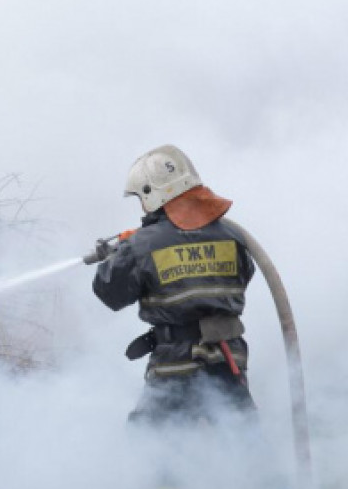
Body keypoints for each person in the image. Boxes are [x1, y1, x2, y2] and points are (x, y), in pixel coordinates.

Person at [91, 145, 257, 425]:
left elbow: (109, 293)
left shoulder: (140, 245)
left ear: (151, 193)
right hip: (229, 359)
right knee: (244, 448)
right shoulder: (233, 236)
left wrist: (122, 254)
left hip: (176, 363)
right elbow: (245, 274)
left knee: (151, 454)